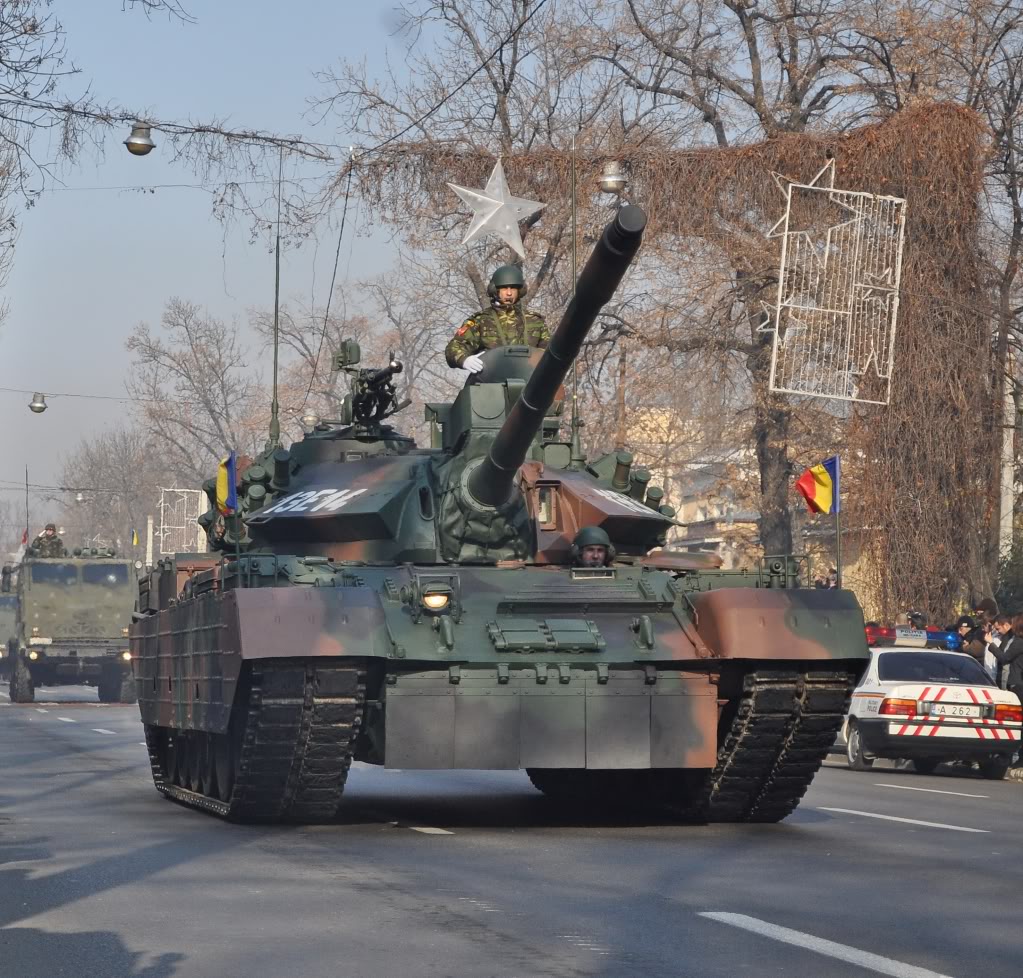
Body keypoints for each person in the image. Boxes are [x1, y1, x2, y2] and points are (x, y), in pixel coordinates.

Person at [445, 264, 549, 372]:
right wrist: (464, 360)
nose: (509, 293)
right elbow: (454, 347)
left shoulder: (535, 321)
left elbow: (549, 354)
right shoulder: (481, 321)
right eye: (504, 288)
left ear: (520, 291)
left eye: (513, 288)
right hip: (492, 380)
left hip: (528, 381)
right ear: (495, 290)